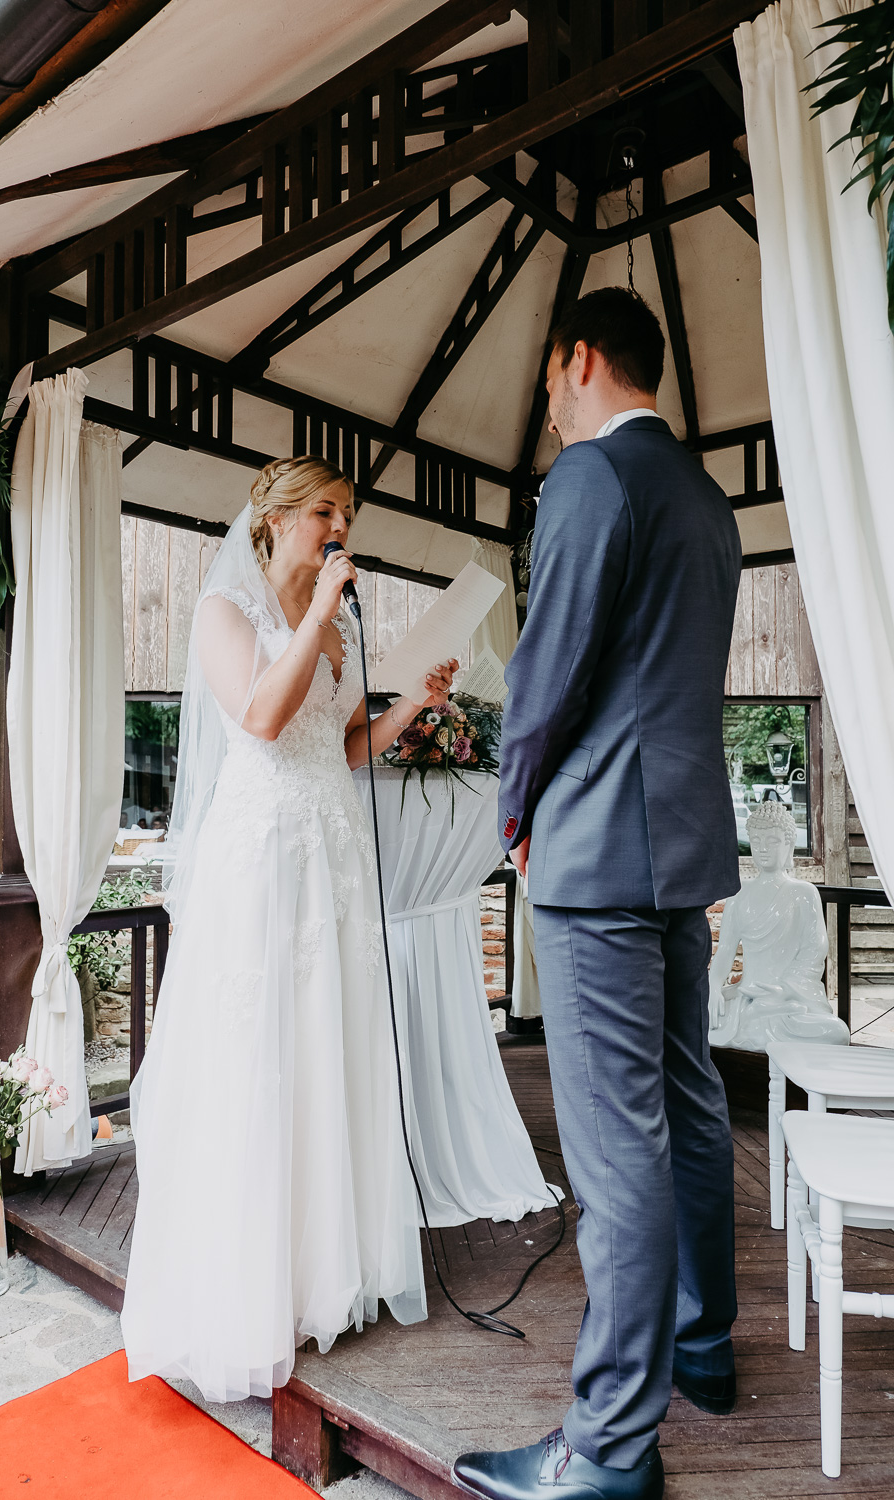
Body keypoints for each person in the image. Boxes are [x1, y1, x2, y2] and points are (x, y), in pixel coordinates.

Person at [453, 289, 742, 1500]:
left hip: (594, 850)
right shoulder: (709, 502)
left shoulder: (587, 478)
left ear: (579, 360)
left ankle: (611, 1445)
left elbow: (546, 674)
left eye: (549, 388)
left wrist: (514, 812)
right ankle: (703, 1345)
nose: (549, 413)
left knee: (616, 1147)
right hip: (681, 844)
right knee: (687, 1104)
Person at [121, 456, 457, 1402]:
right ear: (273, 520)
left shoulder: (335, 625)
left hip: (331, 855)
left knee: (324, 1048)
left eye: (347, 513)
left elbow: (338, 748)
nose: (340, 527)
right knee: (259, 1053)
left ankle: (318, 1276)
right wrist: (317, 619)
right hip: (263, 857)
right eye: (324, 511)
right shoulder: (225, 612)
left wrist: (412, 706)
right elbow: (264, 720)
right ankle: (243, 1291)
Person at [709, 800, 848, 1051]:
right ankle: (751, 1022)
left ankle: (757, 1025)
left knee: (836, 1032)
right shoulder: (739, 894)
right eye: (756, 840)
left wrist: (784, 990)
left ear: (789, 844)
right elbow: (725, 951)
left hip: (788, 1000)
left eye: (772, 841)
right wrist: (713, 987)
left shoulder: (803, 892)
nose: (763, 848)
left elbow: (813, 953)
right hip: (748, 998)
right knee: (697, 1017)